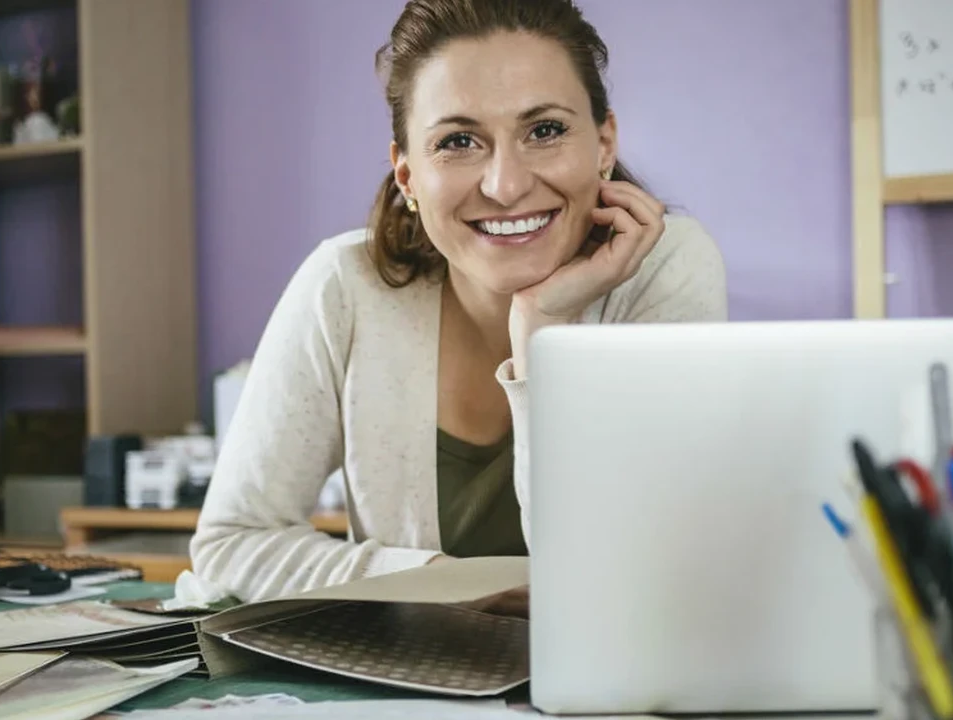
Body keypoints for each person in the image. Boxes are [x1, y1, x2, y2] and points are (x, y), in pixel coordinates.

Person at [189, 0, 728, 605]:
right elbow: (231, 543)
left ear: (604, 143)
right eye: (458, 140)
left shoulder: (666, 270)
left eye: (544, 130)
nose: (506, 185)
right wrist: (444, 581)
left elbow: (623, 579)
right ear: (408, 176)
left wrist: (541, 329)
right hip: (405, 688)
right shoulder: (343, 287)